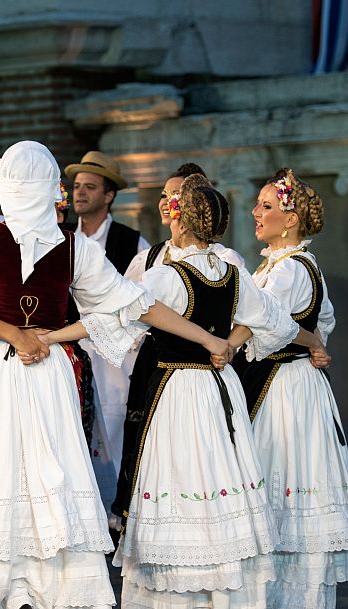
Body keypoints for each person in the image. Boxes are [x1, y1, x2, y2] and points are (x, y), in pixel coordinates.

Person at [0, 141, 232, 609]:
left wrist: (10, 334)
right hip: (50, 369)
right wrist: (205, 338)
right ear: (53, 190)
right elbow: (129, 306)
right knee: (52, 483)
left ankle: (15, 606)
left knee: (3, 483)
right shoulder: (76, 248)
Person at [114, 176, 325, 609]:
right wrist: (228, 342)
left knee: (182, 493)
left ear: (182, 218)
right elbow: (267, 314)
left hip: (178, 391)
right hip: (218, 390)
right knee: (219, 491)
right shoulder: (232, 270)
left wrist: (62, 332)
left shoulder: (169, 273)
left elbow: (130, 306)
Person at [232, 168, 348, 609]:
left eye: (266, 206)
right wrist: (313, 341)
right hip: (286, 382)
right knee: (282, 479)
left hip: (287, 389)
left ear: (289, 220)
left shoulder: (291, 268)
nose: (256, 212)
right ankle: (289, 603)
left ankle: (303, 606)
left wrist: (303, 342)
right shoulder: (275, 266)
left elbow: (266, 322)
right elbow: (319, 323)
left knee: (291, 477)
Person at [113, 165, 246, 528]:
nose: (168, 205)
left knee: (196, 452)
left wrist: (224, 345)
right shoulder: (151, 259)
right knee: (147, 443)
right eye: (164, 197)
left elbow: (122, 308)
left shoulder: (224, 263)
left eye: (176, 199)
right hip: (155, 361)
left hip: (192, 371)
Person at [63, 152, 151, 515]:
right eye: (76, 187)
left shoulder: (131, 242)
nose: (79, 193)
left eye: (89, 187)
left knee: (114, 427)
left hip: (114, 355)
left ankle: (118, 512)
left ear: (109, 195)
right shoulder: (62, 238)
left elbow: (144, 299)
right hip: (72, 345)